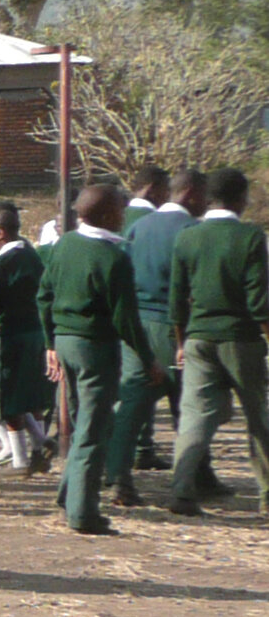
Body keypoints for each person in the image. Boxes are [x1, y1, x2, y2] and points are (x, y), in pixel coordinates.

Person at [38, 179, 162, 536]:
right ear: (108, 214)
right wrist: (148, 357)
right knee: (95, 429)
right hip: (96, 348)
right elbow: (126, 318)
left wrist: (50, 343)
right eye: (121, 210)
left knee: (81, 423)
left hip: (65, 342)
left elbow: (43, 296)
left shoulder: (64, 245)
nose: (125, 215)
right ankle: (83, 513)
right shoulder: (114, 257)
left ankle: (68, 495)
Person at [166, 169, 269, 515]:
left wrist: (181, 341)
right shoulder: (250, 237)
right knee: (258, 418)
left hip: (198, 338)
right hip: (241, 339)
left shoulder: (187, 236)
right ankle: (267, 494)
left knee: (194, 417)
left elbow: (177, 298)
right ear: (241, 198)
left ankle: (181, 488)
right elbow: (259, 301)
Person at [110, 168, 206, 505]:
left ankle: (119, 477)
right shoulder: (193, 231)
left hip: (138, 324)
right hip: (176, 326)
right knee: (190, 408)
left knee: (133, 404)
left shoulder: (138, 227)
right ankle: (191, 480)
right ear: (191, 193)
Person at [0, 203, 53, 472]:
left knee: (8, 397)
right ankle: (39, 449)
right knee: (32, 396)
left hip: (11, 333)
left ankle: (21, 458)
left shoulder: (2, 262)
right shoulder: (32, 256)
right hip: (37, 333)